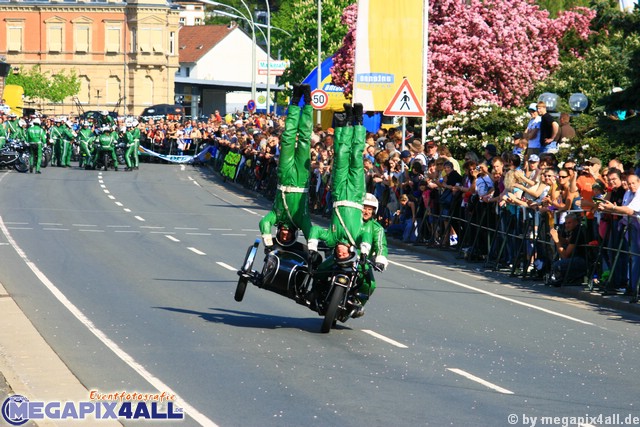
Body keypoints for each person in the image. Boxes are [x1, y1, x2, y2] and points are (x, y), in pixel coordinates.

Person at [308, 103, 372, 258]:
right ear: (350, 251)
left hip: (338, 193)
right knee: (356, 156)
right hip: (356, 195)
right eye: (344, 254)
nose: (340, 253)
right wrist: (364, 251)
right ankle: (358, 122)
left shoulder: (331, 239)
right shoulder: (355, 239)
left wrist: (312, 247)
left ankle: (344, 124)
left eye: (339, 254)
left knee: (341, 155)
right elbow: (366, 235)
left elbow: (315, 230)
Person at [259, 84, 313, 250]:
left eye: (281, 236)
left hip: (284, 175)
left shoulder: (276, 216)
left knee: (288, 138)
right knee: (304, 140)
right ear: (294, 235)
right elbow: (311, 232)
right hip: (301, 179)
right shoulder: (300, 220)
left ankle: (295, 101)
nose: (284, 234)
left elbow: (264, 222)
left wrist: (268, 242)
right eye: (287, 236)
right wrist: (312, 247)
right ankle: (308, 103)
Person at [547, 213, 588, 286]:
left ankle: (571, 278)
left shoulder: (578, 231)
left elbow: (565, 255)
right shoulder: (575, 230)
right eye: (566, 223)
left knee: (557, 265)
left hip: (581, 260)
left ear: (576, 222)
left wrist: (557, 240)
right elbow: (567, 241)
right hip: (577, 258)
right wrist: (557, 236)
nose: (567, 225)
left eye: (569, 223)